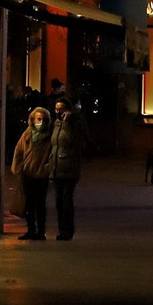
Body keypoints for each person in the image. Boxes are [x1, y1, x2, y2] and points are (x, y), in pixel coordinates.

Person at [49, 96, 89, 240]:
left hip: (69, 168)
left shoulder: (74, 123)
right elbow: (53, 144)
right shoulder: (55, 124)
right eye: (56, 109)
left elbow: (73, 140)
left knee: (66, 202)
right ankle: (62, 230)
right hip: (56, 167)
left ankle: (68, 231)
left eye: (61, 109)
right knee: (59, 203)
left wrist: (66, 124)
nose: (58, 112)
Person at [11, 107, 54, 241]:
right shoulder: (28, 134)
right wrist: (17, 169)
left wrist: (48, 169)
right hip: (28, 174)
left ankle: (40, 232)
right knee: (28, 204)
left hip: (41, 176)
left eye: (42, 119)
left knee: (40, 204)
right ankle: (31, 230)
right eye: (38, 119)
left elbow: (52, 155)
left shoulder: (49, 136)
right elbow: (18, 151)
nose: (40, 122)